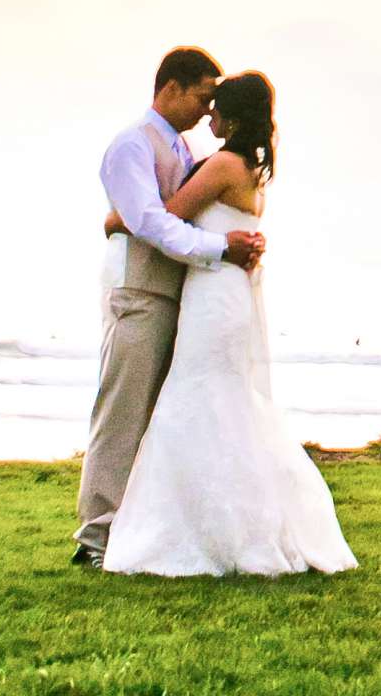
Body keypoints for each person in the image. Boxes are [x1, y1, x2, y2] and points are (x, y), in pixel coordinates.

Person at [102, 69, 358, 578]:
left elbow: (163, 215)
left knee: (197, 401)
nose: (208, 114)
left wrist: (114, 220)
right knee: (225, 404)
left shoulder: (221, 165)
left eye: (216, 107)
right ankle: (227, 523)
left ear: (234, 116)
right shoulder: (252, 170)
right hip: (227, 295)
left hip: (213, 296)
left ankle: (195, 531)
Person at [73, 46, 265, 567]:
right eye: (203, 97)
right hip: (139, 291)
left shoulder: (181, 149)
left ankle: (136, 530)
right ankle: (95, 538)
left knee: (161, 417)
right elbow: (152, 222)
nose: (208, 111)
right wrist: (219, 248)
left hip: (178, 295)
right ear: (172, 87)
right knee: (122, 414)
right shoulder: (133, 145)